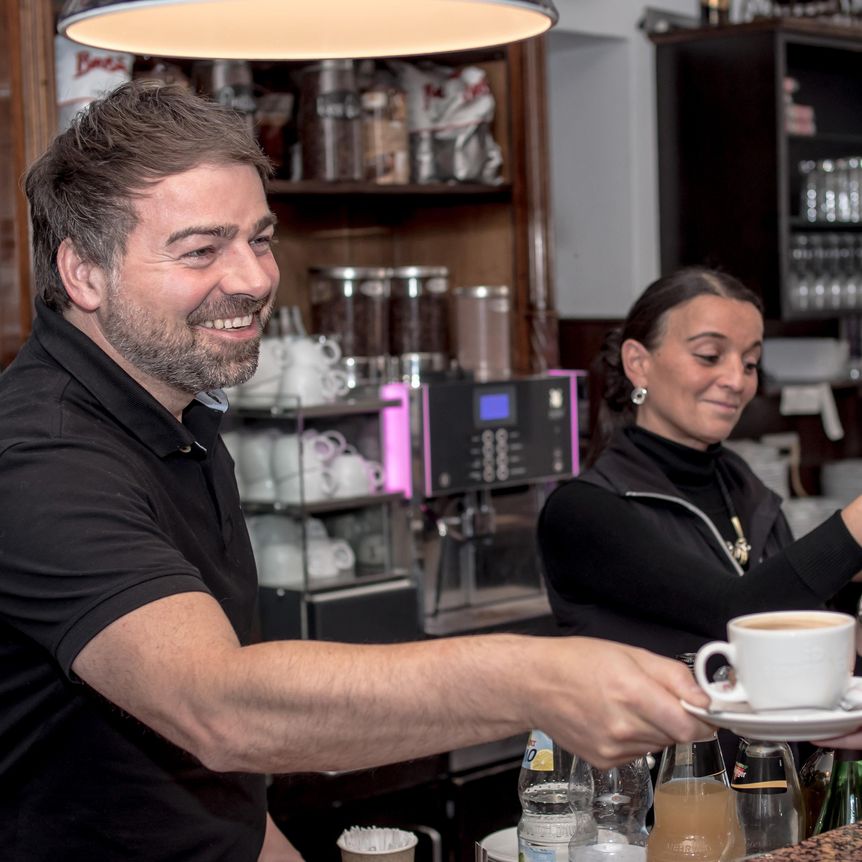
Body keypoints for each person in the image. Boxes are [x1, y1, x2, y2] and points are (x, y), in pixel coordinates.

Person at [0, 82, 713, 861]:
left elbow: (200, 792)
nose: (254, 279)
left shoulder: (178, 417)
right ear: (84, 273)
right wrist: (535, 679)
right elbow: (218, 709)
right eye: (202, 250)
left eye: (260, 239)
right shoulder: (40, 456)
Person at [538, 267, 862, 659]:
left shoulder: (745, 487)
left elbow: (789, 620)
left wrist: (850, 581)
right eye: (709, 356)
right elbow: (733, 613)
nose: (737, 381)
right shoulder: (584, 511)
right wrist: (853, 532)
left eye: (750, 363)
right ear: (638, 362)